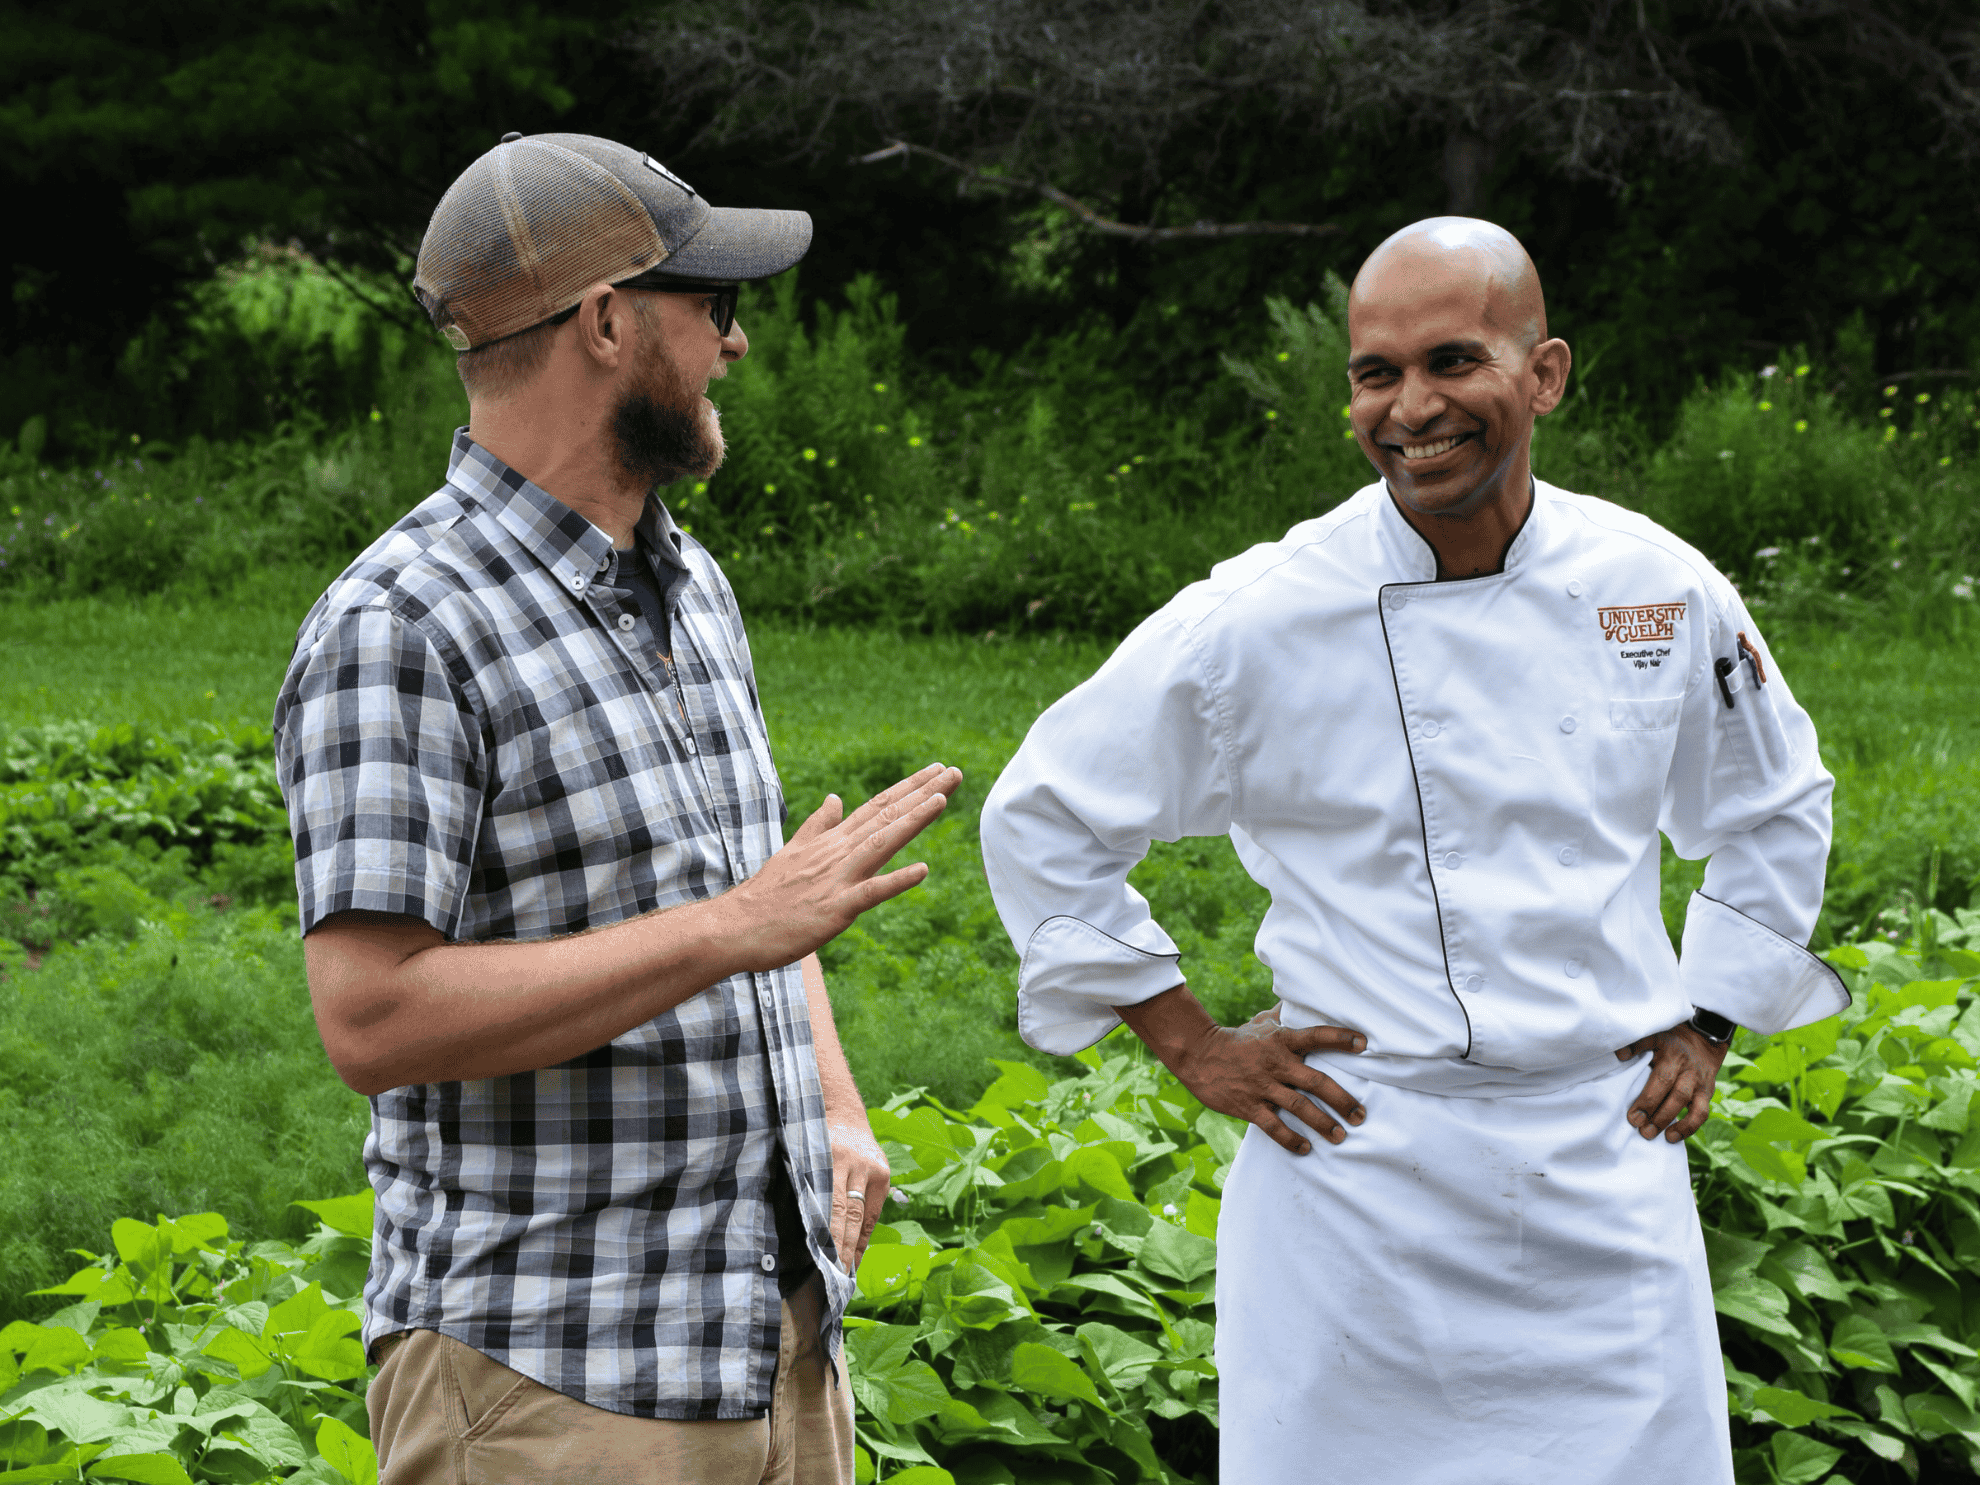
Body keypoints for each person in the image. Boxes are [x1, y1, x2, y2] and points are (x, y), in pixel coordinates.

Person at [978, 217, 1846, 1482]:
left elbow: (1775, 800)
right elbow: (1047, 811)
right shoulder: (1262, 616)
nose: (1411, 407)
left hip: (1603, 1176)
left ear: (1544, 374)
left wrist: (1710, 1018)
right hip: (1358, 1180)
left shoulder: (1654, 587)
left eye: (1453, 361)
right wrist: (1190, 1045)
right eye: (1375, 374)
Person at [272, 131, 961, 1485]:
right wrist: (729, 929)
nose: (735, 344)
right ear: (604, 323)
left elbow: (759, 886)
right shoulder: (401, 625)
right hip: (549, 1381)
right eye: (713, 306)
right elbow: (372, 1015)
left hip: (765, 1344)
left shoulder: (686, 582)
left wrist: (830, 1096)